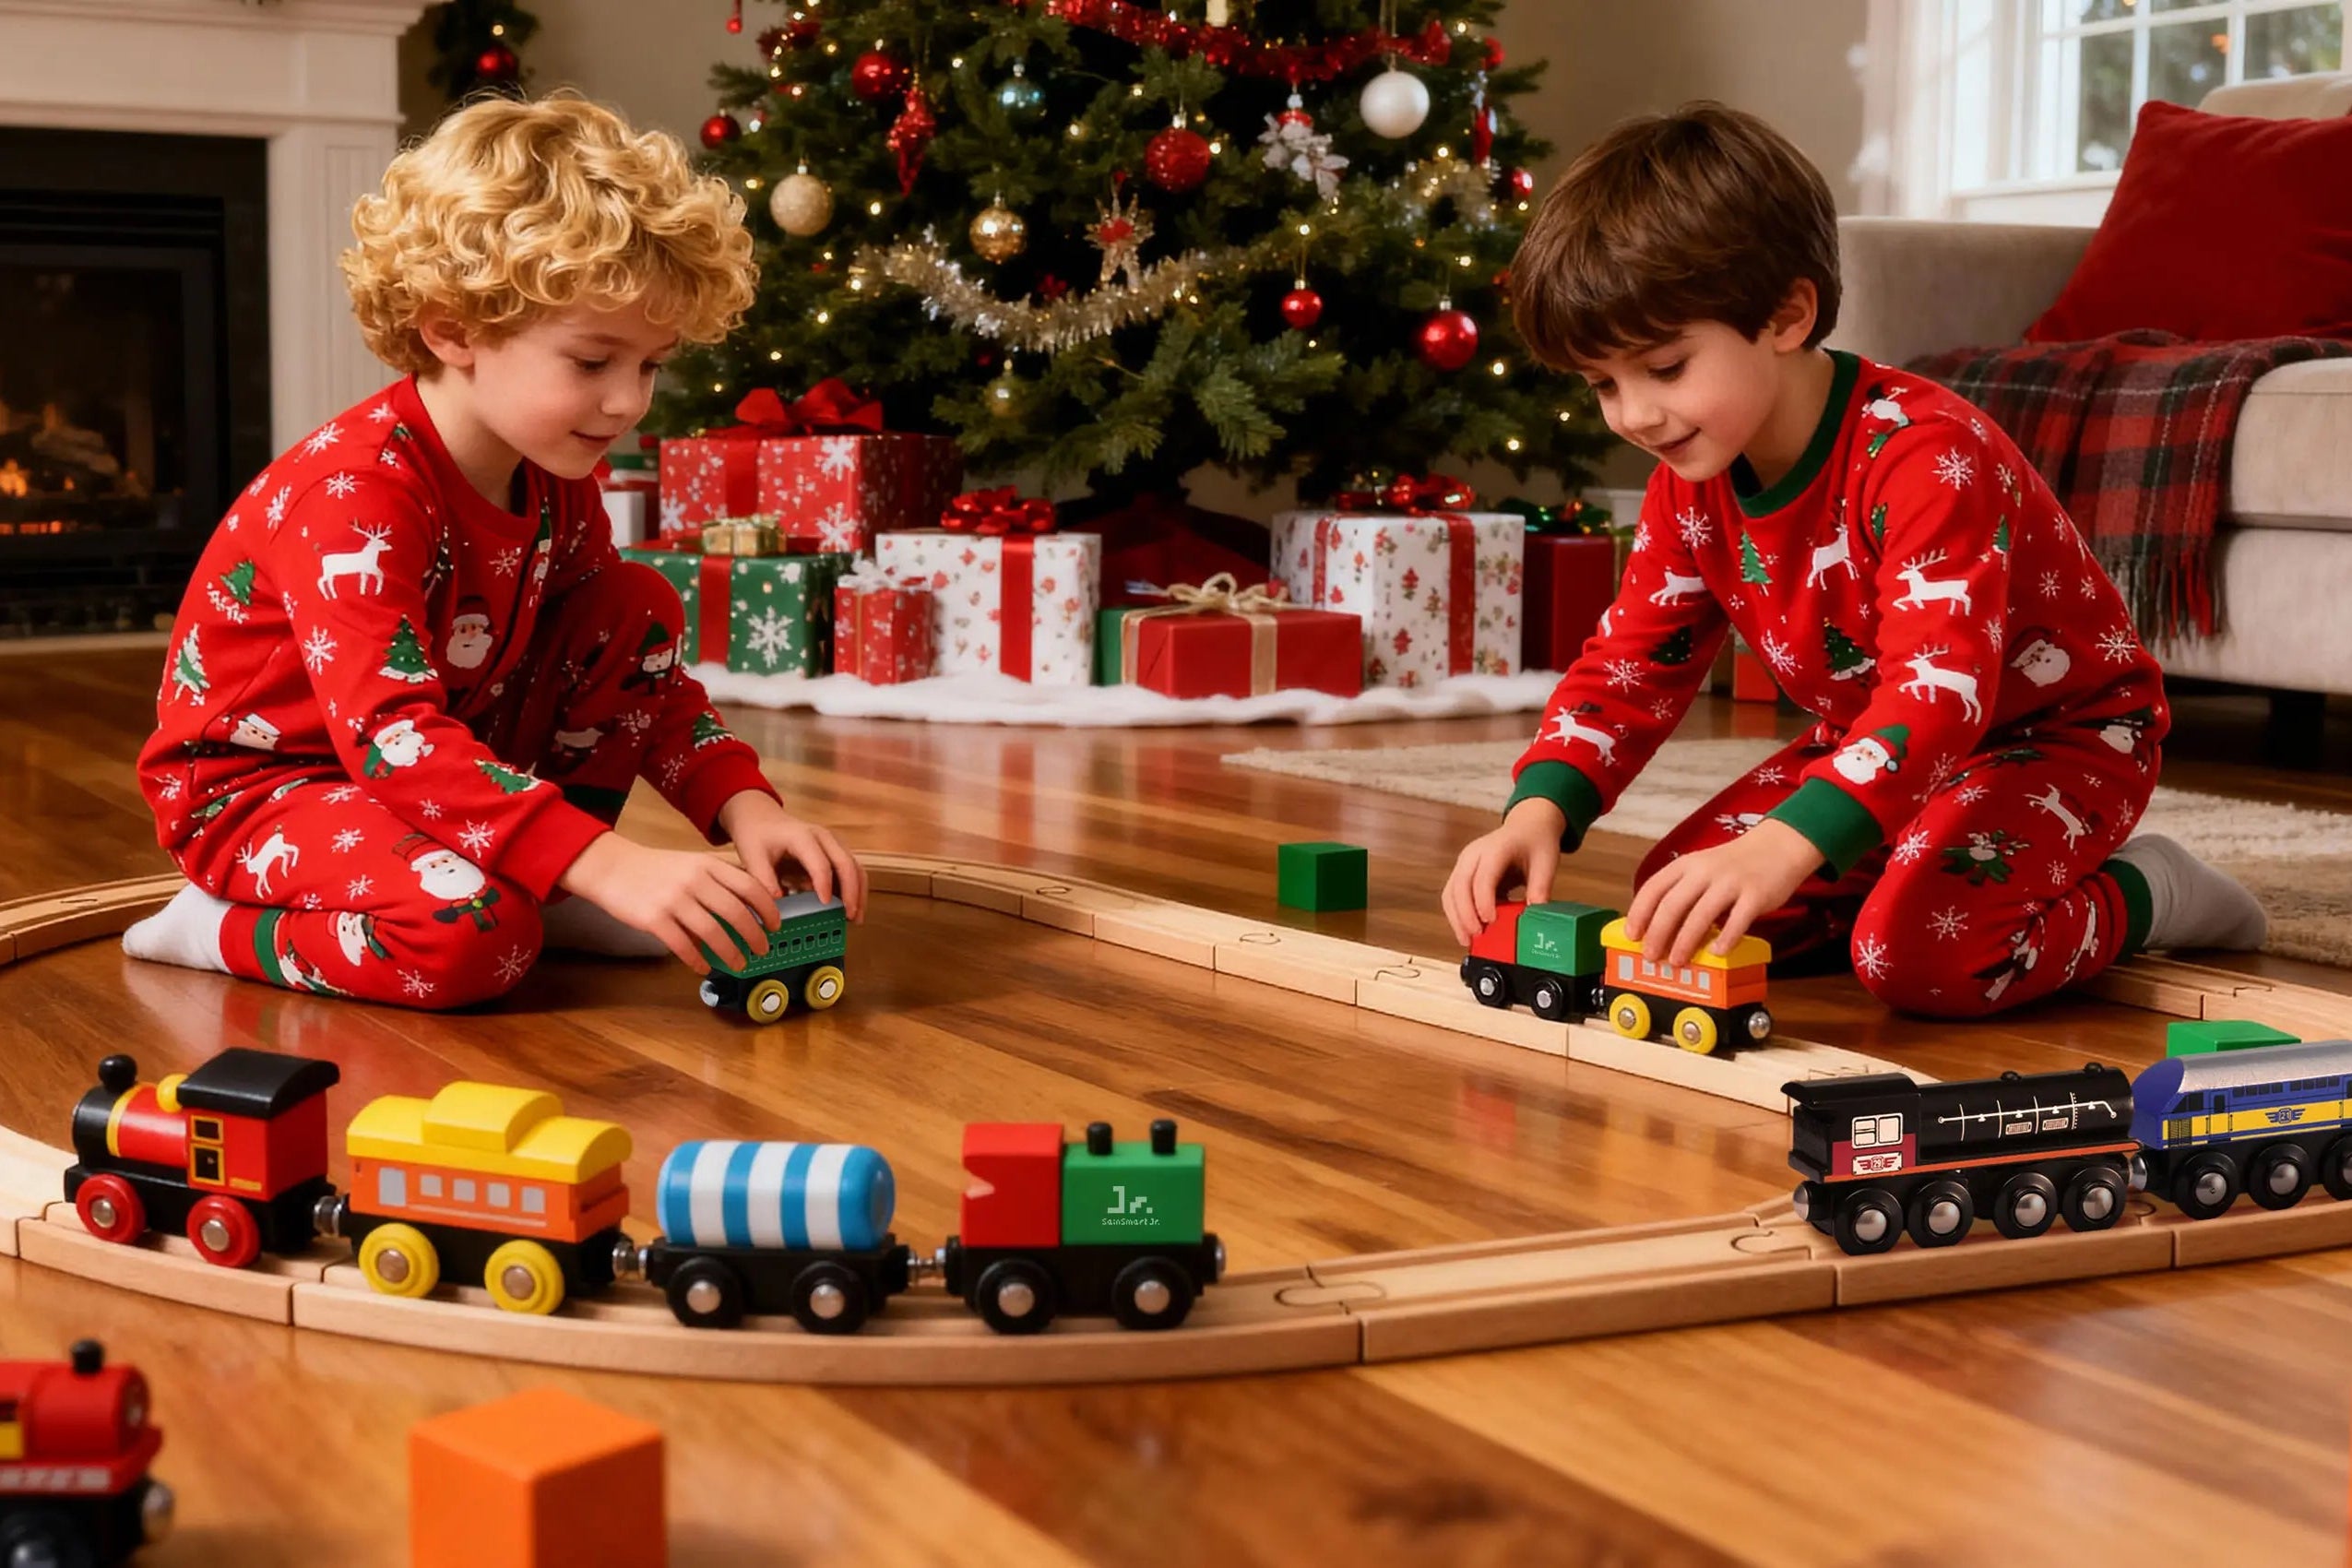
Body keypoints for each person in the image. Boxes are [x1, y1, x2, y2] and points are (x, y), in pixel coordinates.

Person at [1441, 102, 2263, 1017]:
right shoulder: (1691, 476)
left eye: (1665, 368)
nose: (1633, 414)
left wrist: (1789, 845)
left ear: (1788, 315)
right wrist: (1537, 809)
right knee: (1677, 900)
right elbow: (1633, 664)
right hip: (1878, 746)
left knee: (1913, 959)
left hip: (2054, 741)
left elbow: (1939, 693)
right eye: (1603, 385)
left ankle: (2150, 890)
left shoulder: (1925, 455)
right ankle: (1917, 855)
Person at [123, 93, 866, 1008]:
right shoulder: (355, 497)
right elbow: (392, 737)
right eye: (594, 362)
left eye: (650, 364)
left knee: (633, 603)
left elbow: (645, 673)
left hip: (436, 754)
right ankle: (213, 925)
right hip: (260, 792)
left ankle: (550, 879)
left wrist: (743, 803)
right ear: (451, 328)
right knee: (474, 940)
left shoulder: (551, 469)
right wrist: (615, 863)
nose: (630, 400)